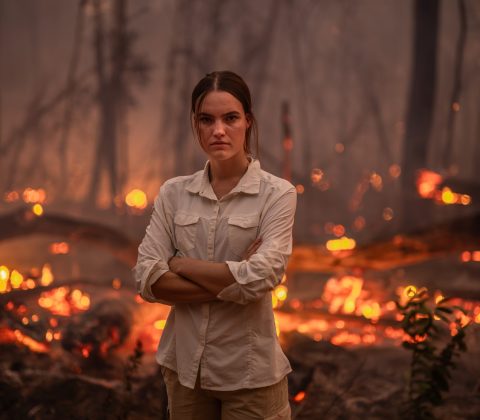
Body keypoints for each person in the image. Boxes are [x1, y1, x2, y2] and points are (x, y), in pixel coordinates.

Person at [133, 70, 297, 419]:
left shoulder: (276, 194)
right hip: (185, 372)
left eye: (231, 118)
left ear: (248, 122)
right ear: (196, 124)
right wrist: (234, 281)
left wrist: (180, 264)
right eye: (207, 119)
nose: (218, 130)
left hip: (250, 376)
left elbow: (262, 277)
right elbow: (148, 278)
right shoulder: (174, 193)